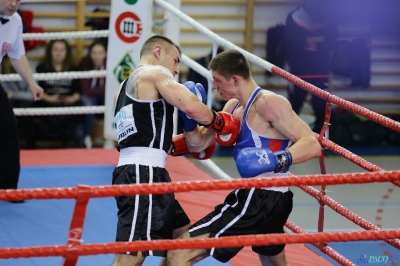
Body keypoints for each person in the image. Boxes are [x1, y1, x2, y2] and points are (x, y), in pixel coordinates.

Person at [167, 49, 321, 266]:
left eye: (218, 81)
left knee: (179, 253)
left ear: (235, 79)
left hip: (261, 197)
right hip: (266, 200)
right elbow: (198, 144)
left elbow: (312, 144)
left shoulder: (268, 103)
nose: (214, 86)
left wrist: (276, 160)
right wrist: (190, 119)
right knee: (274, 263)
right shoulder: (233, 107)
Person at [111, 35, 240, 266]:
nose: (177, 69)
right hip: (144, 175)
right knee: (132, 252)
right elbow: (192, 106)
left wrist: (179, 143)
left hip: (142, 171)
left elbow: (141, 135)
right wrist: (220, 122)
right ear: (158, 52)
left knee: (181, 237)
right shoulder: (155, 73)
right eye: (176, 60)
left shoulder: (122, 88)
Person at [0, 0, 43, 198]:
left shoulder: (15, 20)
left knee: (9, 130)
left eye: (18, 0)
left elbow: (17, 55)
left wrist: (31, 83)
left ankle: (7, 188)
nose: (14, 3)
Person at [285, 0, 337, 133]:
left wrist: (308, 43)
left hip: (320, 70)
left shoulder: (329, 17)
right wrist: (313, 41)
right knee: (294, 106)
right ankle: (291, 137)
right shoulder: (293, 16)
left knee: (321, 108)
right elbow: (292, 42)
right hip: (299, 70)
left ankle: (321, 141)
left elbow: (331, 42)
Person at [35, 39, 84, 147]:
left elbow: (78, 91)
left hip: (67, 101)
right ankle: (68, 139)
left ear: (67, 52)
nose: (58, 53)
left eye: (62, 50)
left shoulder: (73, 68)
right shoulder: (42, 68)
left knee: (81, 105)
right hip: (48, 101)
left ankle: (68, 140)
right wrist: (50, 98)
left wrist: (71, 99)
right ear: (50, 51)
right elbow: (38, 90)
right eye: (56, 50)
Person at [79, 40, 107, 149]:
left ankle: (110, 138)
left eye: (100, 53)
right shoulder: (85, 65)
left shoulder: (111, 65)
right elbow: (86, 90)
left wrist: (103, 91)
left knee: (113, 102)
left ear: (105, 54)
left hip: (105, 97)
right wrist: (103, 90)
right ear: (90, 54)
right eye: (94, 52)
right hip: (90, 96)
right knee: (89, 104)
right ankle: (87, 137)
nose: (97, 56)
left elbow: (112, 87)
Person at [187, 47, 226, 111]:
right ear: (210, 61)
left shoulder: (224, 67)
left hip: (222, 107)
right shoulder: (196, 67)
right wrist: (213, 97)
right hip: (202, 106)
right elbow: (192, 91)